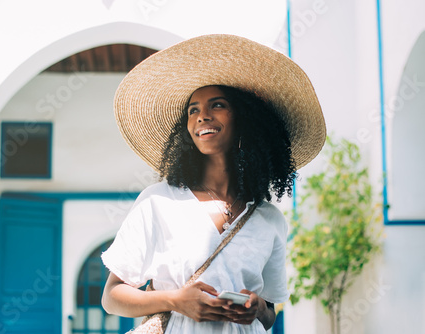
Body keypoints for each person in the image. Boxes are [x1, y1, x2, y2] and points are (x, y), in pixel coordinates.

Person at [101, 34, 326, 333]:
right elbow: (112, 297)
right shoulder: (158, 201)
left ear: (246, 120)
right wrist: (175, 300)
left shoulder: (269, 219)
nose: (201, 116)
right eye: (192, 110)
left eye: (217, 105)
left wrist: (257, 307)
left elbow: (270, 313)